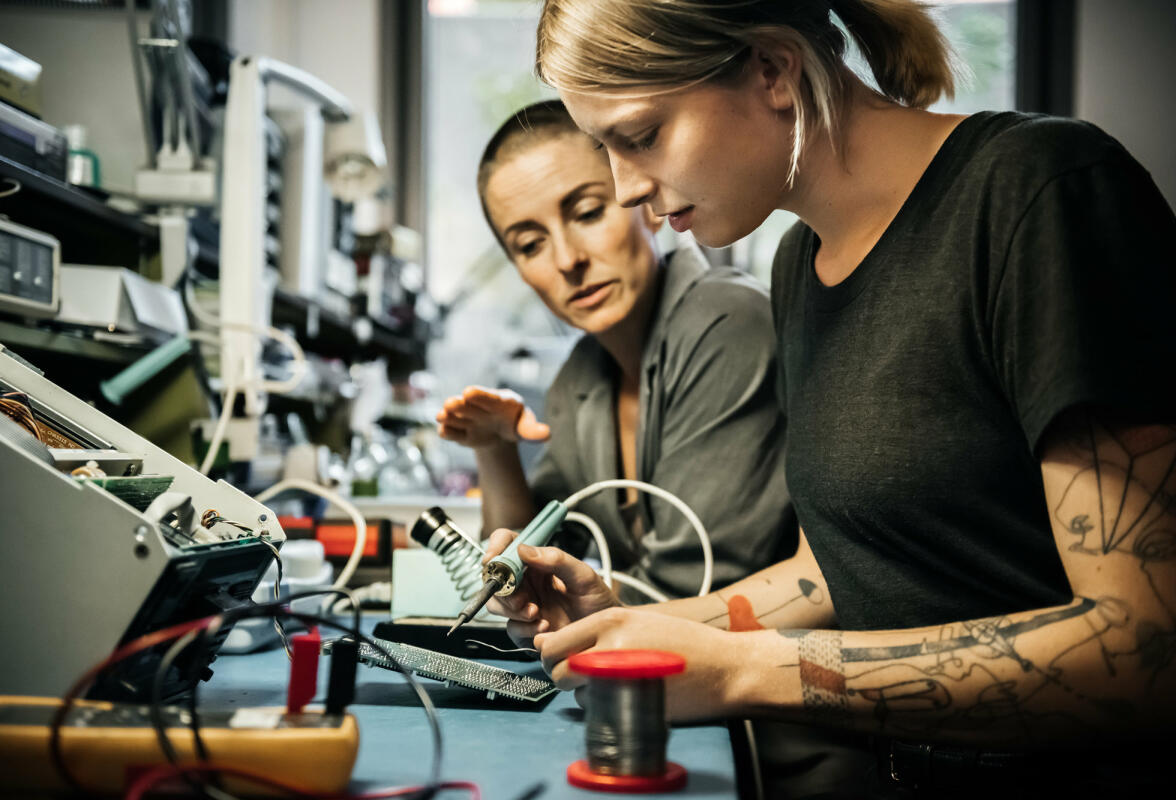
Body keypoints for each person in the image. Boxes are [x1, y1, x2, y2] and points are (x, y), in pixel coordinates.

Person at [485, 0, 1176, 795]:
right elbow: (832, 575)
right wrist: (633, 626)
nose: (628, 188)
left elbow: (1147, 650)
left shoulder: (1038, 193)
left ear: (773, 70)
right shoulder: (799, 268)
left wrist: (750, 671)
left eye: (640, 138)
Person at [437, 100, 798, 601]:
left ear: (645, 201)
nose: (567, 260)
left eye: (587, 213)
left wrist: (558, 607)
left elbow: (695, 588)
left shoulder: (728, 321)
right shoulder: (580, 378)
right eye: (530, 244)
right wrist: (494, 449)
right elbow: (517, 570)